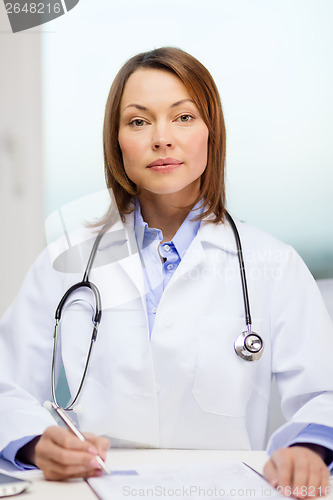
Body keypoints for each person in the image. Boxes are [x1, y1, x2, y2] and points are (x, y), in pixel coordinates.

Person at [0, 47, 333, 497]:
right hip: (91, 489)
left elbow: (323, 393)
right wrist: (38, 444)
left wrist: (309, 448)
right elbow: (5, 387)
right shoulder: (66, 262)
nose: (161, 138)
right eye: (138, 121)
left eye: (183, 117)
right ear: (116, 140)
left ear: (211, 133)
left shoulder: (273, 265)